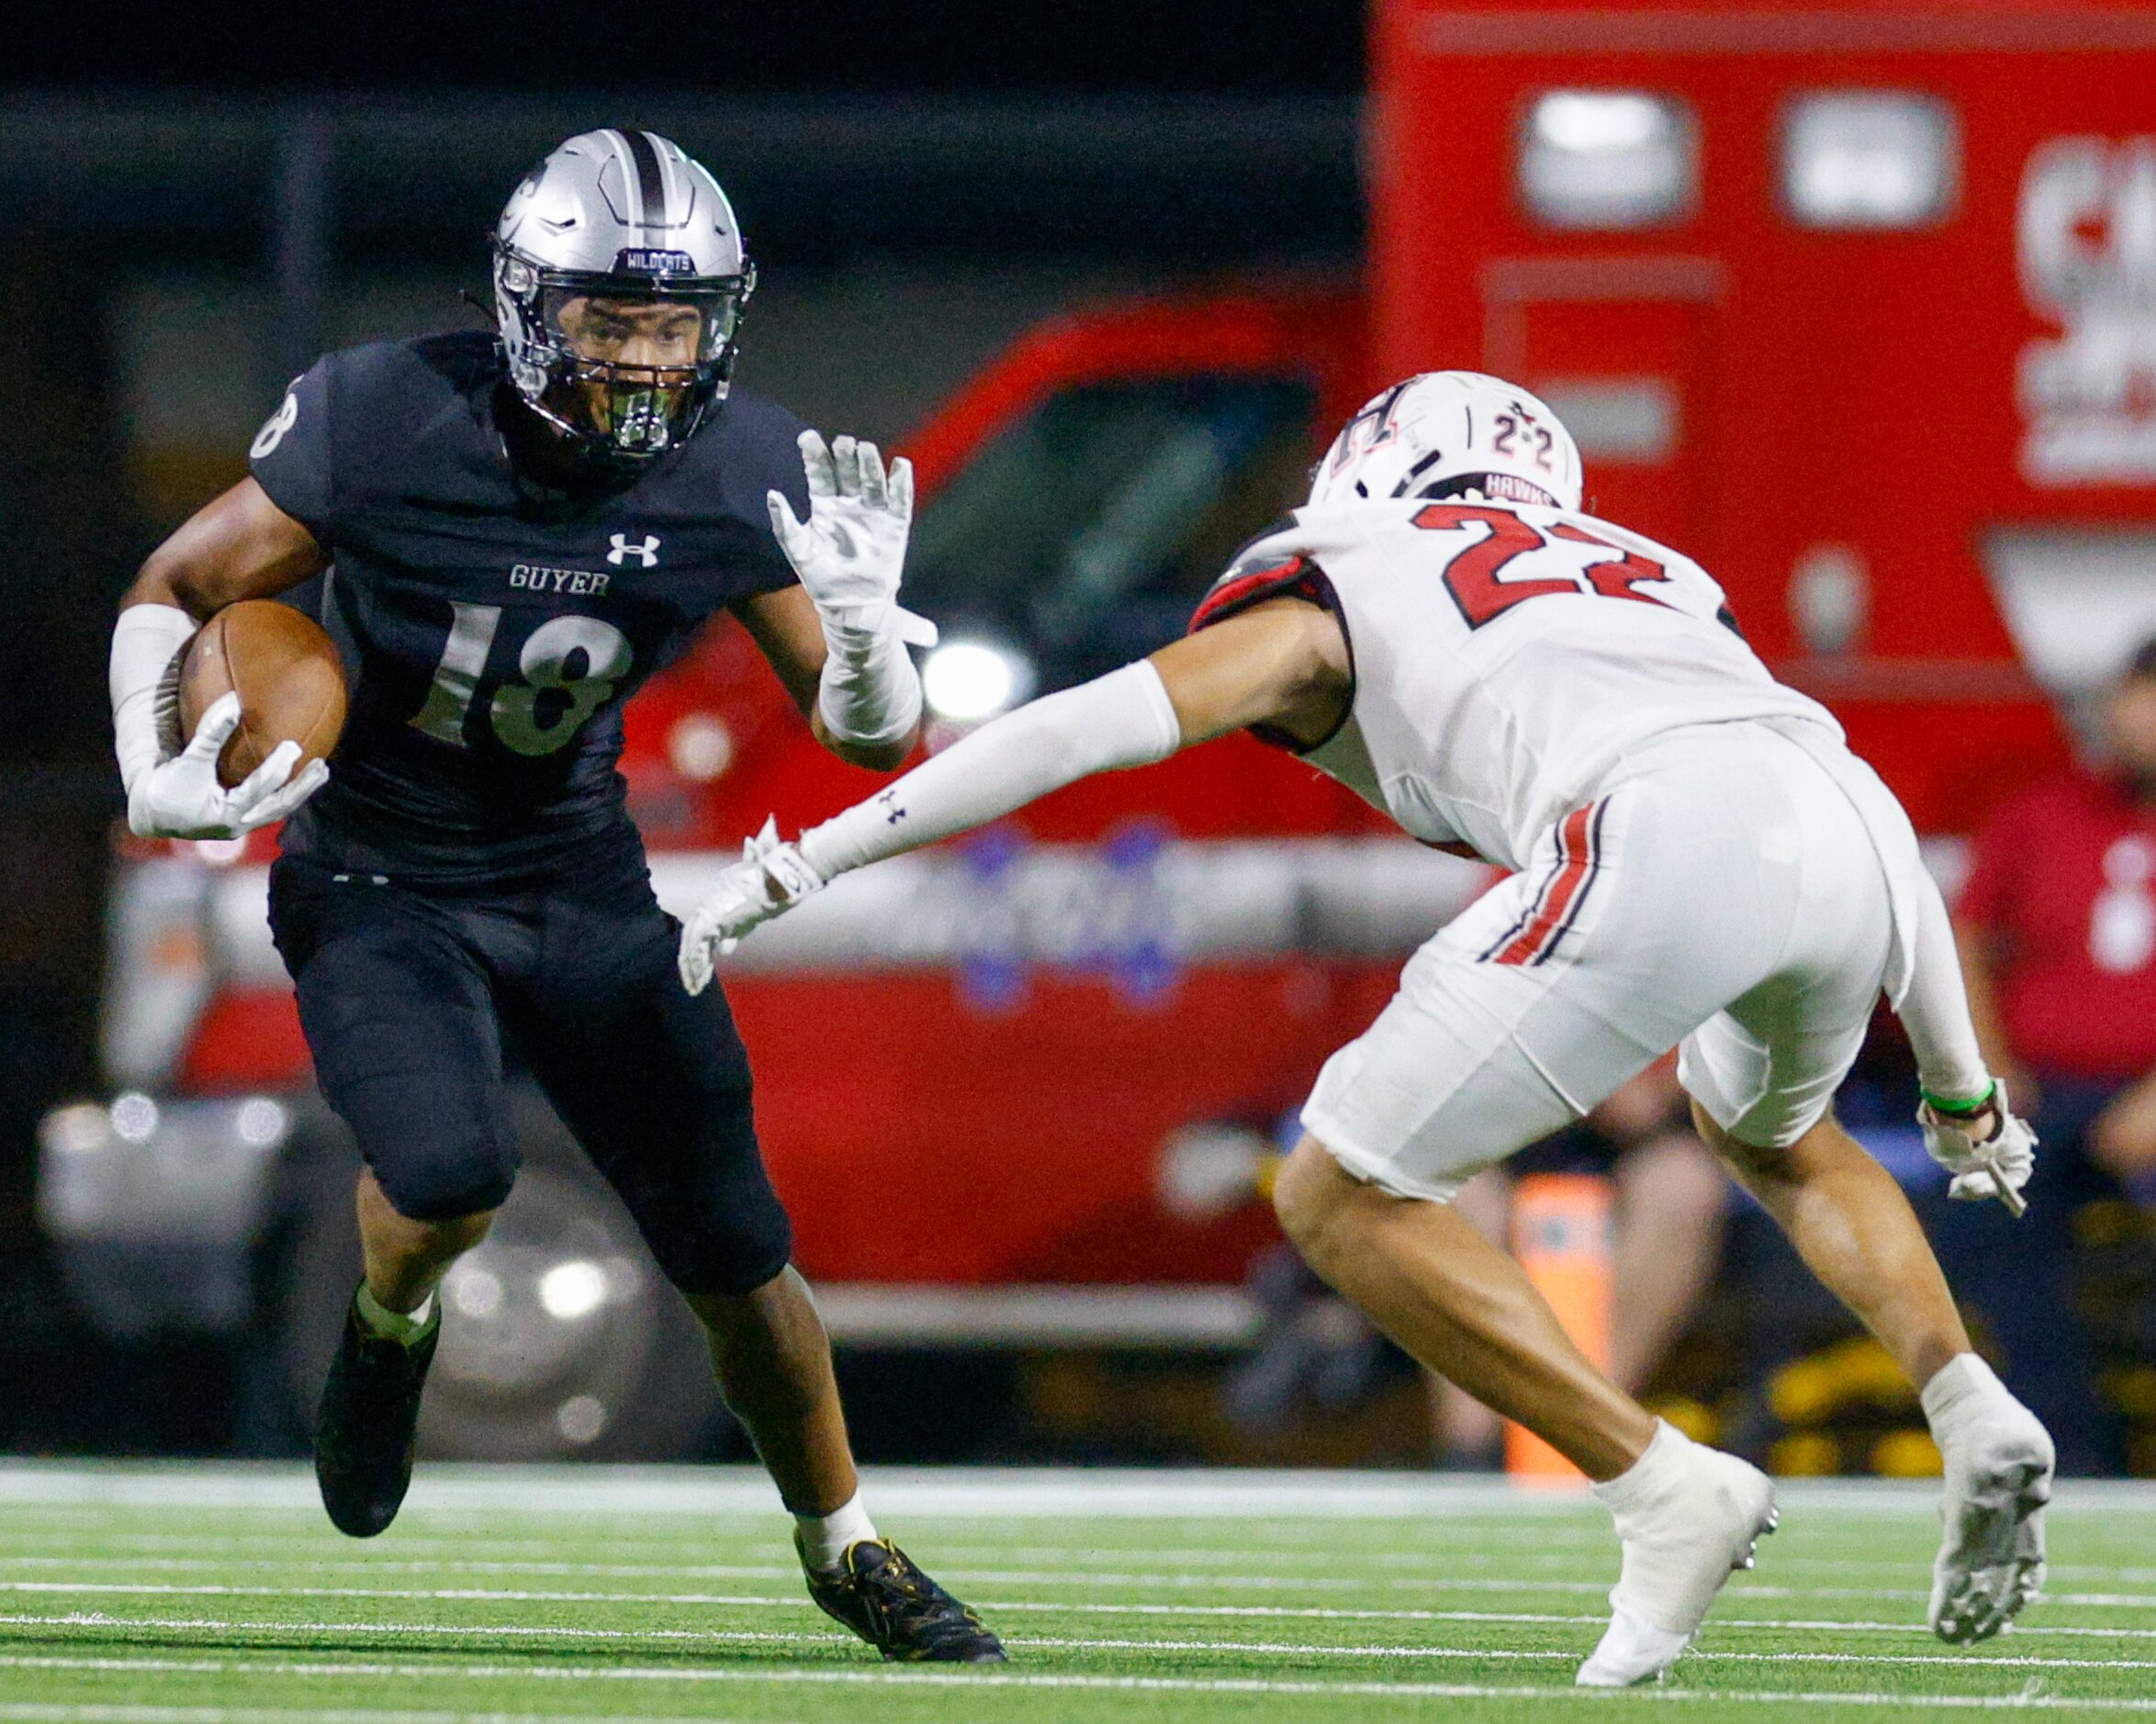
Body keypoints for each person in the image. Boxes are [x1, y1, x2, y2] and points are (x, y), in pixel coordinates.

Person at [681, 372, 2053, 1686]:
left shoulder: (1345, 564)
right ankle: (1969, 1400)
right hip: (1842, 827)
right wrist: (1958, 1083)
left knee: (1344, 1184)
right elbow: (1839, 781)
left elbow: (1081, 731)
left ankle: (1660, 1482)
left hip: (1656, 824)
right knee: (1778, 1135)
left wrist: (828, 847)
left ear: (1372, 465)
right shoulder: (1645, 567)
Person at [106, 129, 1000, 1664]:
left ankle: (846, 1544)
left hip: (578, 873)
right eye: (608, 321)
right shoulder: (389, 414)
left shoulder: (736, 468)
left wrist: (861, 641)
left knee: (733, 1243)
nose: (644, 360)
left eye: (672, 325)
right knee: (448, 1178)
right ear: (530, 307)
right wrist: (151, 760)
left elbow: (864, 732)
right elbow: (185, 582)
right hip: (377, 867)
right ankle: (389, 1328)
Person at [1945, 635, 2156, 1472]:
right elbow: (1963, 941)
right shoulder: (2037, 816)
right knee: (1986, 1211)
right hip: (2047, 1095)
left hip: (2146, 1094)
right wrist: (1986, 1075)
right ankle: (2069, 1448)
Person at [1435, 1059, 1726, 1467]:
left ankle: (1577, 1434)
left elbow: (1646, 1103)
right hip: (1498, 1132)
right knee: (1454, 1194)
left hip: (1646, 1144)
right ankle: (1469, 1453)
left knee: (1683, 1185)